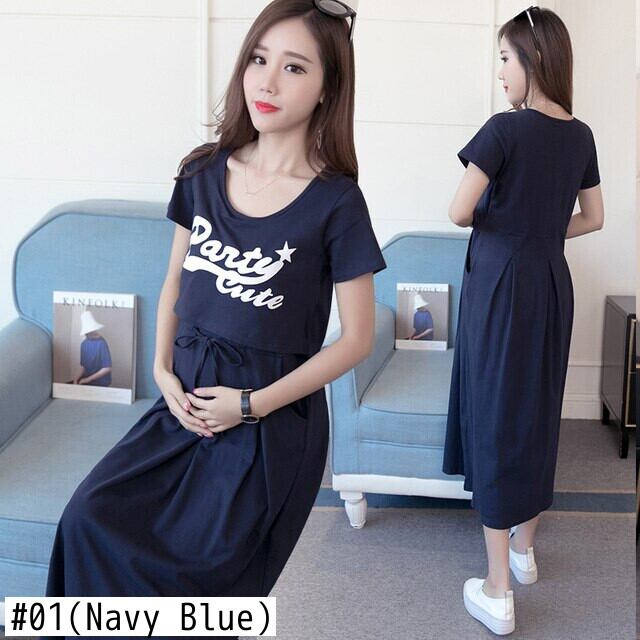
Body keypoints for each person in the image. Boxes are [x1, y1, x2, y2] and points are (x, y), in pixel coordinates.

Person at [41, 1, 385, 638]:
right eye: (258, 59)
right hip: (182, 401)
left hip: (267, 423)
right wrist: (160, 370)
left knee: (198, 586)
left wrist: (249, 406)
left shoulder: (337, 201)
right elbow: (175, 280)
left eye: (294, 67)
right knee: (88, 518)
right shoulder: (202, 170)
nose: (267, 81)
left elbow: (358, 339)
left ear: (327, 87)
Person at [441, 5, 604, 636]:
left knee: (496, 413)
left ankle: (498, 590)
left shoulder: (503, 131)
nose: (500, 72)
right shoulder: (581, 135)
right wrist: (541, 231)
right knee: (537, 407)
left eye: (505, 58)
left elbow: (459, 211)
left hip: (500, 285)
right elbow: (593, 218)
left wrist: (509, 227)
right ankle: (524, 551)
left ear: (532, 60)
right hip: (550, 281)